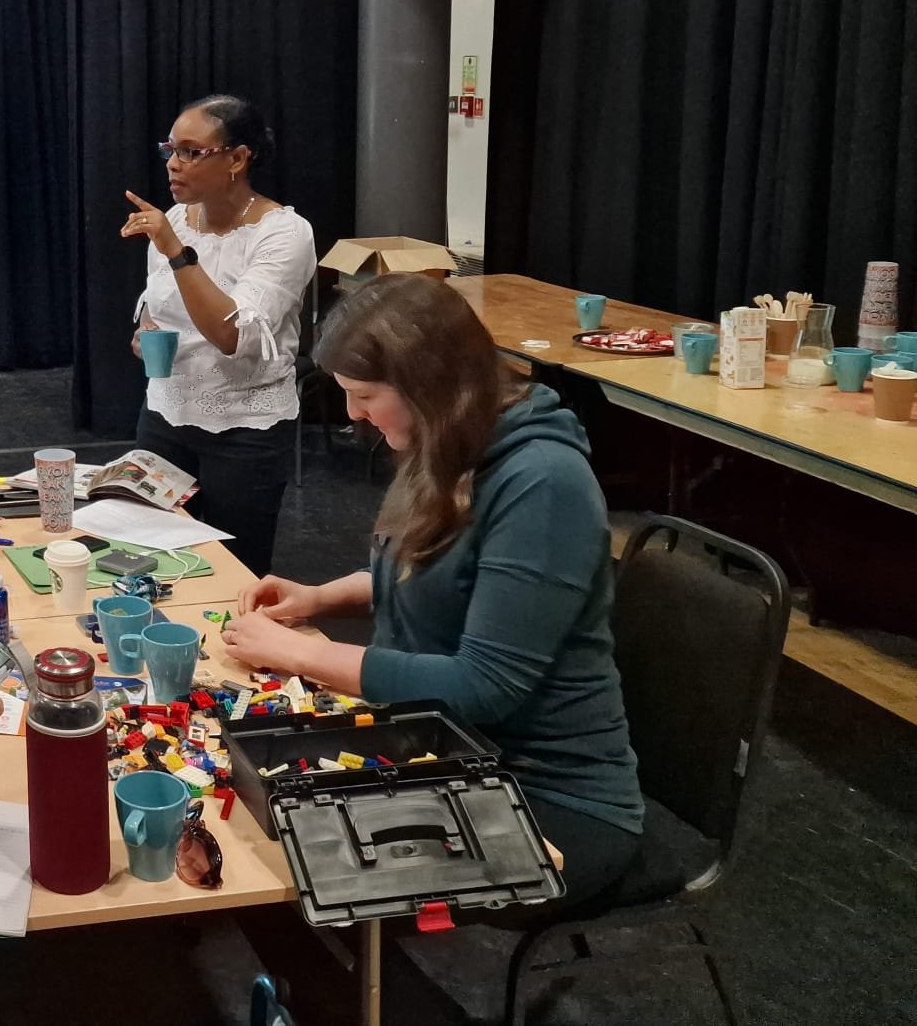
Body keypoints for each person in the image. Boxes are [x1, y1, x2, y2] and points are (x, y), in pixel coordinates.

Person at [218, 273, 644, 910]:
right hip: (441, 743)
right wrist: (320, 598)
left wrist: (298, 654)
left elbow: (483, 684)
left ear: (428, 385)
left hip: (545, 792)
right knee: (249, 802)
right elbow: (438, 575)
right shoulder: (447, 440)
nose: (354, 415)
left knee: (294, 865)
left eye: (364, 395)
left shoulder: (544, 483)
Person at [121, 94, 317, 575]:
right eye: (170, 150)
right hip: (165, 413)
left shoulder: (284, 233)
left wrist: (176, 250)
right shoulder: (173, 220)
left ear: (237, 158)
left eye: (191, 151)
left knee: (233, 572)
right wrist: (144, 334)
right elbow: (156, 305)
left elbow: (235, 336)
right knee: (151, 561)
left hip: (244, 429)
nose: (174, 164)